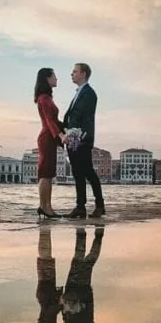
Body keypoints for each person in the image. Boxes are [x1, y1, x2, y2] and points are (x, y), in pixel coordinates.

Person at [62, 62, 105, 219]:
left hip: (81, 138)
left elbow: (79, 116)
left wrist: (68, 133)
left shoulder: (89, 93)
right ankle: (80, 207)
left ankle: (99, 205)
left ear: (83, 74)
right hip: (74, 138)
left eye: (74, 71)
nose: (71, 74)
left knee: (87, 171)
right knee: (77, 172)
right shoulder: (80, 92)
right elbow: (73, 116)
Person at [62, 226, 104, 323]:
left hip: (80, 296)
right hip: (78, 296)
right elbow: (81, 317)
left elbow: (84, 318)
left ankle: (93, 233)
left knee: (86, 261)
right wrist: (66, 305)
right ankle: (85, 230)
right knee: (82, 260)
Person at [34, 67, 67, 219]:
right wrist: (61, 135)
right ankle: (43, 206)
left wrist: (65, 130)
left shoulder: (47, 97)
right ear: (47, 79)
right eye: (54, 76)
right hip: (47, 137)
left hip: (49, 137)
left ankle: (48, 206)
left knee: (49, 174)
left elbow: (54, 120)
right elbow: (49, 120)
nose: (56, 78)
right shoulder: (44, 98)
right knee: (45, 174)